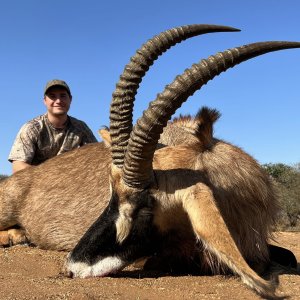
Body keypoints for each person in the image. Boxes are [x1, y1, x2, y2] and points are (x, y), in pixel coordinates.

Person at [8, 79, 98, 174]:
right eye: (52, 96)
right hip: (38, 185)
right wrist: (53, 178)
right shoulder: (31, 128)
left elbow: (96, 157)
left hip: (71, 183)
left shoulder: (81, 127)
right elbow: (18, 167)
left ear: (70, 99)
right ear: (45, 101)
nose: (58, 101)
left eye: (63, 96)